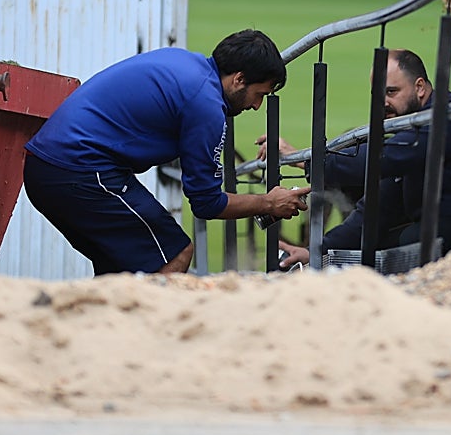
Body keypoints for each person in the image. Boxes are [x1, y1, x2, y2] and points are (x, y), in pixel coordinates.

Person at [23, 30, 310, 275]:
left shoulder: (187, 63)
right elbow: (206, 203)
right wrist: (269, 204)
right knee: (175, 254)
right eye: (259, 94)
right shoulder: (206, 104)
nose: (257, 106)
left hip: (49, 166)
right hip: (79, 169)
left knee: (124, 272)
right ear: (238, 79)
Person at [258, 48, 451, 269]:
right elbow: (380, 205)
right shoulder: (411, 131)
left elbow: (379, 160)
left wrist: (305, 161)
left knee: (416, 242)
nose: (383, 102)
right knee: (376, 244)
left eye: (392, 92)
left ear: (420, 88)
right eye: (377, 94)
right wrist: (317, 250)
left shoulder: (447, 117)